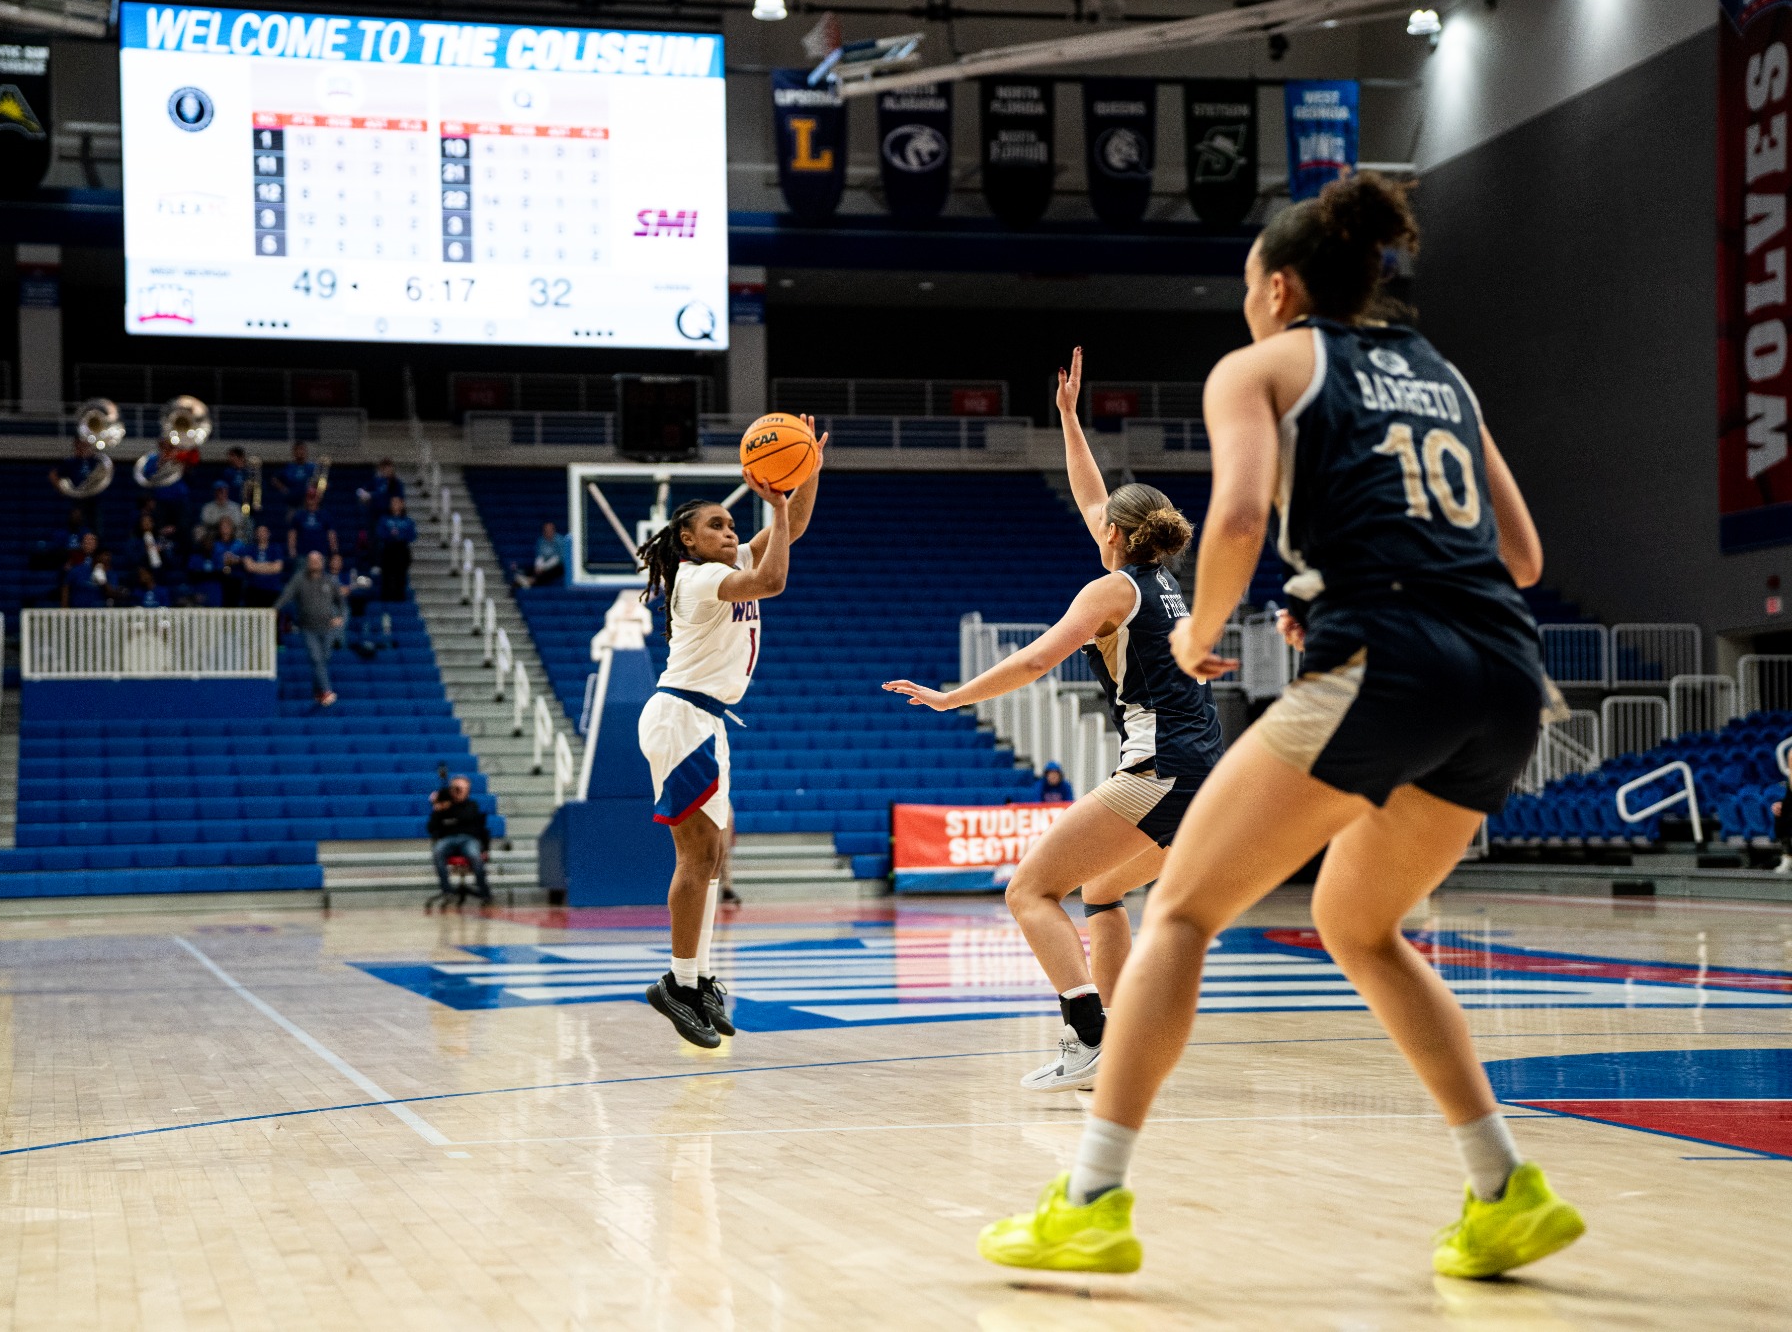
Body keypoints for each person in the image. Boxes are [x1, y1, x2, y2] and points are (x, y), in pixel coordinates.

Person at [976, 173, 1583, 1282]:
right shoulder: (1442, 373)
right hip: (1504, 671)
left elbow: (1242, 513)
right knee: (1359, 922)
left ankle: (1092, 1200)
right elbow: (1526, 559)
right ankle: (1503, 1187)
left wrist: (1207, 629)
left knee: (1182, 914)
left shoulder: (1259, 366)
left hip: (1387, 659)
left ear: (1276, 287)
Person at [884, 467, 1213, 1095]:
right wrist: (1067, 418)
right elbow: (1096, 498)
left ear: (1112, 534)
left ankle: (1086, 1036)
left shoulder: (1109, 592)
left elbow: (1037, 659)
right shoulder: (1165, 584)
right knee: (1103, 888)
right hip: (1200, 767)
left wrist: (952, 699)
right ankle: (1117, 1042)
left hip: (1157, 766)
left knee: (1029, 892)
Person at [637, 423, 826, 1048]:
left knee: (715, 857)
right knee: (695, 857)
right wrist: (772, 499)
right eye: (717, 525)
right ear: (688, 540)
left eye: (730, 523)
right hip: (681, 716)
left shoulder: (731, 563)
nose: (730, 531)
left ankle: (700, 977)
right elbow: (774, 580)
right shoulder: (696, 579)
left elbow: (790, 531)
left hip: (705, 720)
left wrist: (806, 472)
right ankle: (679, 983)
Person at [275, 550, 345, 706]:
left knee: (323, 659)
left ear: (322, 562)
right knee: (316, 658)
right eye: (312, 560)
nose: (314, 563)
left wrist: (339, 616)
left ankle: (318, 692)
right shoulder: (300, 579)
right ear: (307, 562)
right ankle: (326, 690)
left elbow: (340, 600)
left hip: (327, 627)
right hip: (308, 628)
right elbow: (287, 594)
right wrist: (275, 609)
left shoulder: (329, 580)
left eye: (317, 560)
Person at [428, 775, 493, 902]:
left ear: (468, 790)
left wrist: (449, 811)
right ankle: (447, 891)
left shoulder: (472, 805)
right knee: (437, 851)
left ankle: (484, 891)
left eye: (462, 788)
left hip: (468, 839)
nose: (459, 791)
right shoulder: (442, 807)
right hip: (448, 839)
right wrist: (437, 809)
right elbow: (431, 828)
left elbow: (465, 818)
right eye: (455, 788)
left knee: (475, 855)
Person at [374, 495, 417, 601]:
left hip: (402, 551)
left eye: (398, 502)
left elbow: (412, 536)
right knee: (387, 576)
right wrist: (390, 534)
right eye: (393, 502)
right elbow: (380, 533)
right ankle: (386, 599)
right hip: (388, 550)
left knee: (400, 576)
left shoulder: (407, 521)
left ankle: (400, 598)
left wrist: (400, 535)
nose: (395, 505)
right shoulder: (384, 519)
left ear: (402, 504)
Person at [239, 523, 287, 609]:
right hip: (253, 590)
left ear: (269, 533)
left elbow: (277, 568)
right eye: (259, 532)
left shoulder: (275, 548)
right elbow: (249, 567)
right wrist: (269, 565)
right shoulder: (250, 548)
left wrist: (256, 565)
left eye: (264, 531)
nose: (261, 534)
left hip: (272, 590)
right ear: (255, 534)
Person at [511, 520, 569, 588]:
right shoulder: (541, 540)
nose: (548, 532)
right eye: (546, 530)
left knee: (552, 572)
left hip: (559, 566)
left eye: (550, 530)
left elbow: (558, 558)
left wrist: (543, 567)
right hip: (545, 564)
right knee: (533, 569)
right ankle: (523, 578)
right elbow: (539, 556)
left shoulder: (560, 540)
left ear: (554, 530)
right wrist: (538, 566)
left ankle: (530, 581)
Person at [357, 457, 407, 532]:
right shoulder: (377, 481)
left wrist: (398, 514)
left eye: (389, 469)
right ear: (381, 469)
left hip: (388, 514)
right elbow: (361, 490)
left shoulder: (396, 483)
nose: (387, 471)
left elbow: (400, 499)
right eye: (385, 469)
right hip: (374, 513)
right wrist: (364, 495)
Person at [286, 488, 338, 560]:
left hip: (321, 553)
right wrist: (292, 550)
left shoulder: (325, 515)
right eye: (309, 497)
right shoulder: (299, 515)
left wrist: (334, 551)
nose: (311, 500)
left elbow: (331, 534)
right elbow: (292, 533)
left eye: (313, 497)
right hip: (302, 554)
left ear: (318, 499)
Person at [60, 533, 106, 608]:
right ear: (82, 544)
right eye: (86, 541)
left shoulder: (103, 561)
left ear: (96, 544)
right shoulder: (72, 561)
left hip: (97, 607)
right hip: (77, 607)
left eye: (92, 541)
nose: (89, 543)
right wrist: (64, 607)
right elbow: (66, 586)